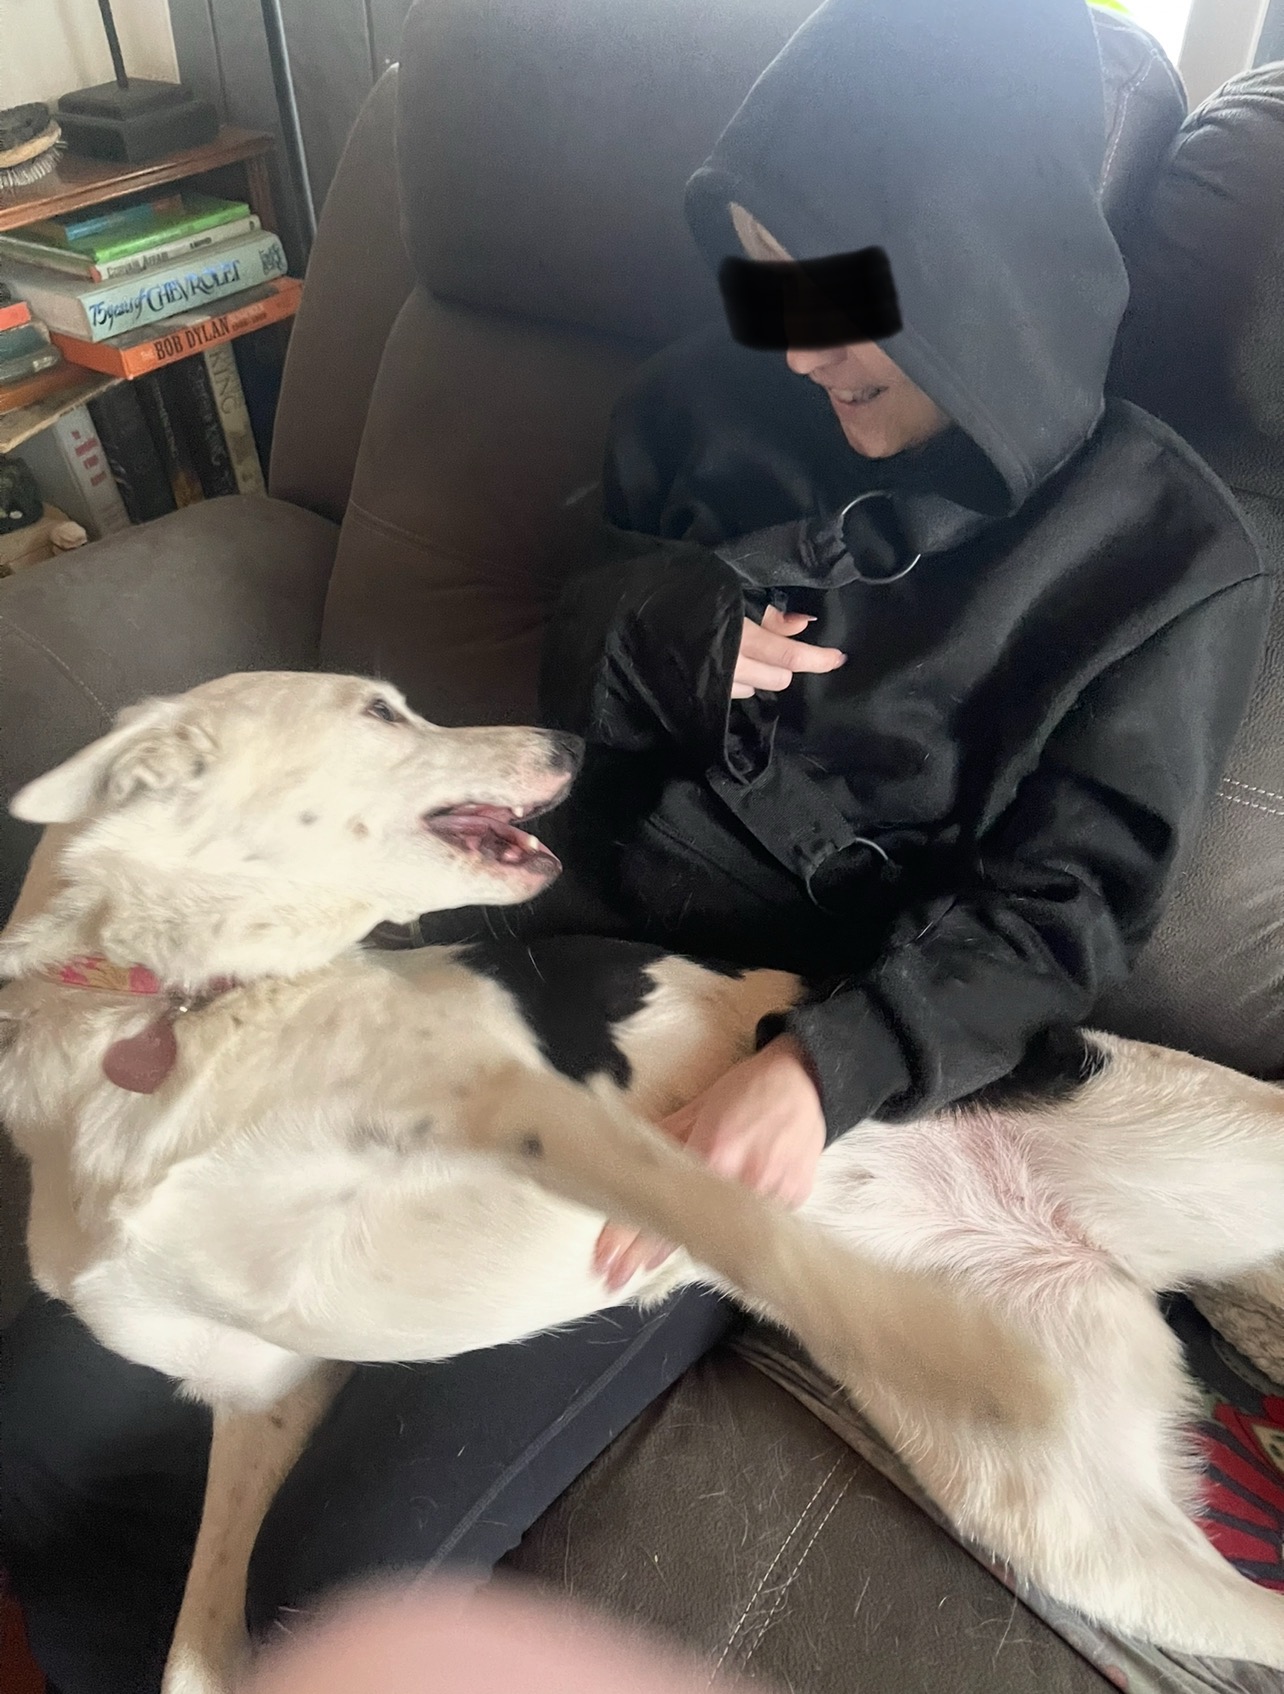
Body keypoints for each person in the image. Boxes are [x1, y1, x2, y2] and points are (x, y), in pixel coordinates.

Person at [0, 0, 1269, 1689]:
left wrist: (821, 1070)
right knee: (40, 1445)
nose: (797, 350)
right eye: (766, 287)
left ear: (982, 264)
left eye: (834, 299)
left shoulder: (1172, 557)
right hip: (526, 960)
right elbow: (573, 670)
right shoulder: (698, 407)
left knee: (328, 1586)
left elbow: (1067, 915)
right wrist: (675, 634)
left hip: (757, 1076)